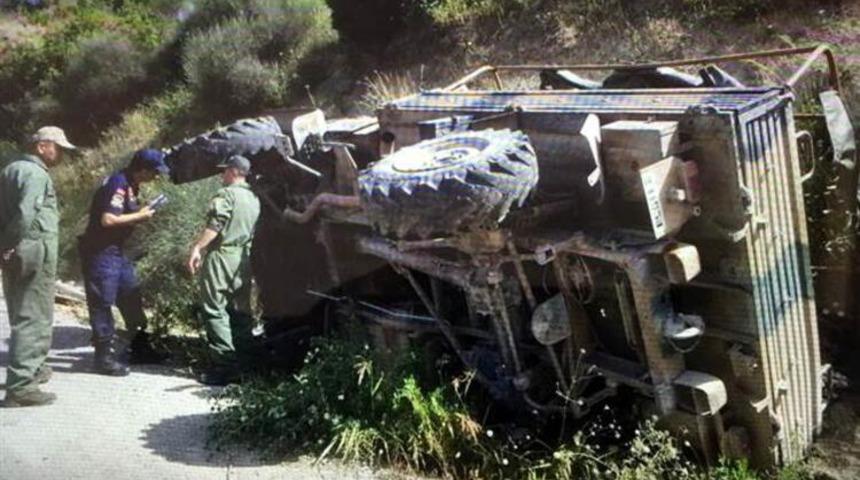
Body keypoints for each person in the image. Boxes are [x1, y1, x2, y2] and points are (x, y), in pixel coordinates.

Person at [0, 126, 75, 407]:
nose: (62, 154)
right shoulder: (35, 174)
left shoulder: (11, 169)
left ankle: (33, 369)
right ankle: (21, 388)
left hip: (18, 251)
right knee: (34, 317)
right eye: (58, 147)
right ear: (42, 146)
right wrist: (8, 243)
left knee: (22, 312)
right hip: (32, 252)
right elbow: (24, 214)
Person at [78, 149, 170, 376]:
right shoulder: (118, 183)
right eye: (154, 172)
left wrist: (141, 210)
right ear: (143, 169)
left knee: (130, 295)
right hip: (101, 252)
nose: (156, 177)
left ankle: (139, 347)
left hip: (117, 252)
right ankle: (103, 357)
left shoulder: (131, 184)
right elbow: (108, 219)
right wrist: (140, 216)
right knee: (102, 302)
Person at [187, 155, 260, 386]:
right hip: (244, 259)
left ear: (233, 171)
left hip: (223, 256)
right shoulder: (254, 197)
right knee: (241, 312)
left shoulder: (227, 195)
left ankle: (224, 366)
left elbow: (215, 225)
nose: (222, 175)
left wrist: (198, 247)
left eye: (224, 171)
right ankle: (246, 365)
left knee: (214, 309)